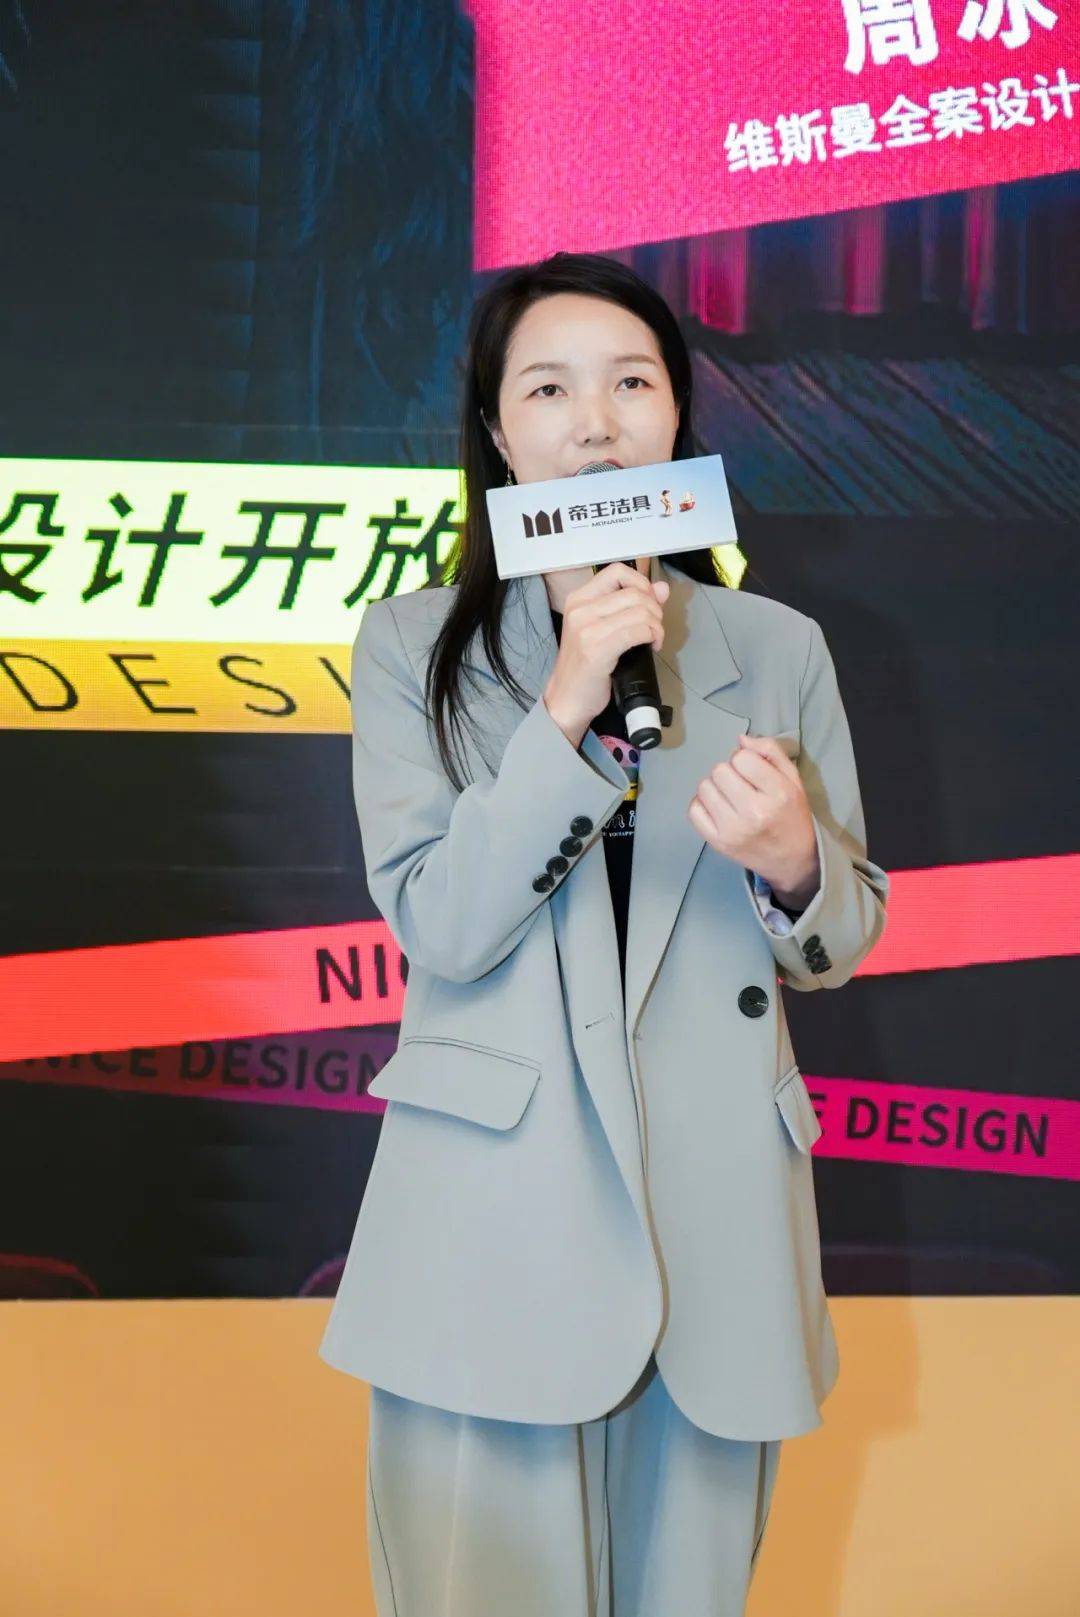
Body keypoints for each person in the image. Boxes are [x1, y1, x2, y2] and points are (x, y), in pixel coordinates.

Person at [318, 251, 890, 1616]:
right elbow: (443, 923)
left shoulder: (777, 646)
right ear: (498, 435)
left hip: (717, 1235)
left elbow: (843, 932)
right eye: (550, 389)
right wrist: (565, 706)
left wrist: (795, 862)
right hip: (491, 1225)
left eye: (632, 384)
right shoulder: (412, 648)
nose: (595, 421)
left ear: (676, 419)